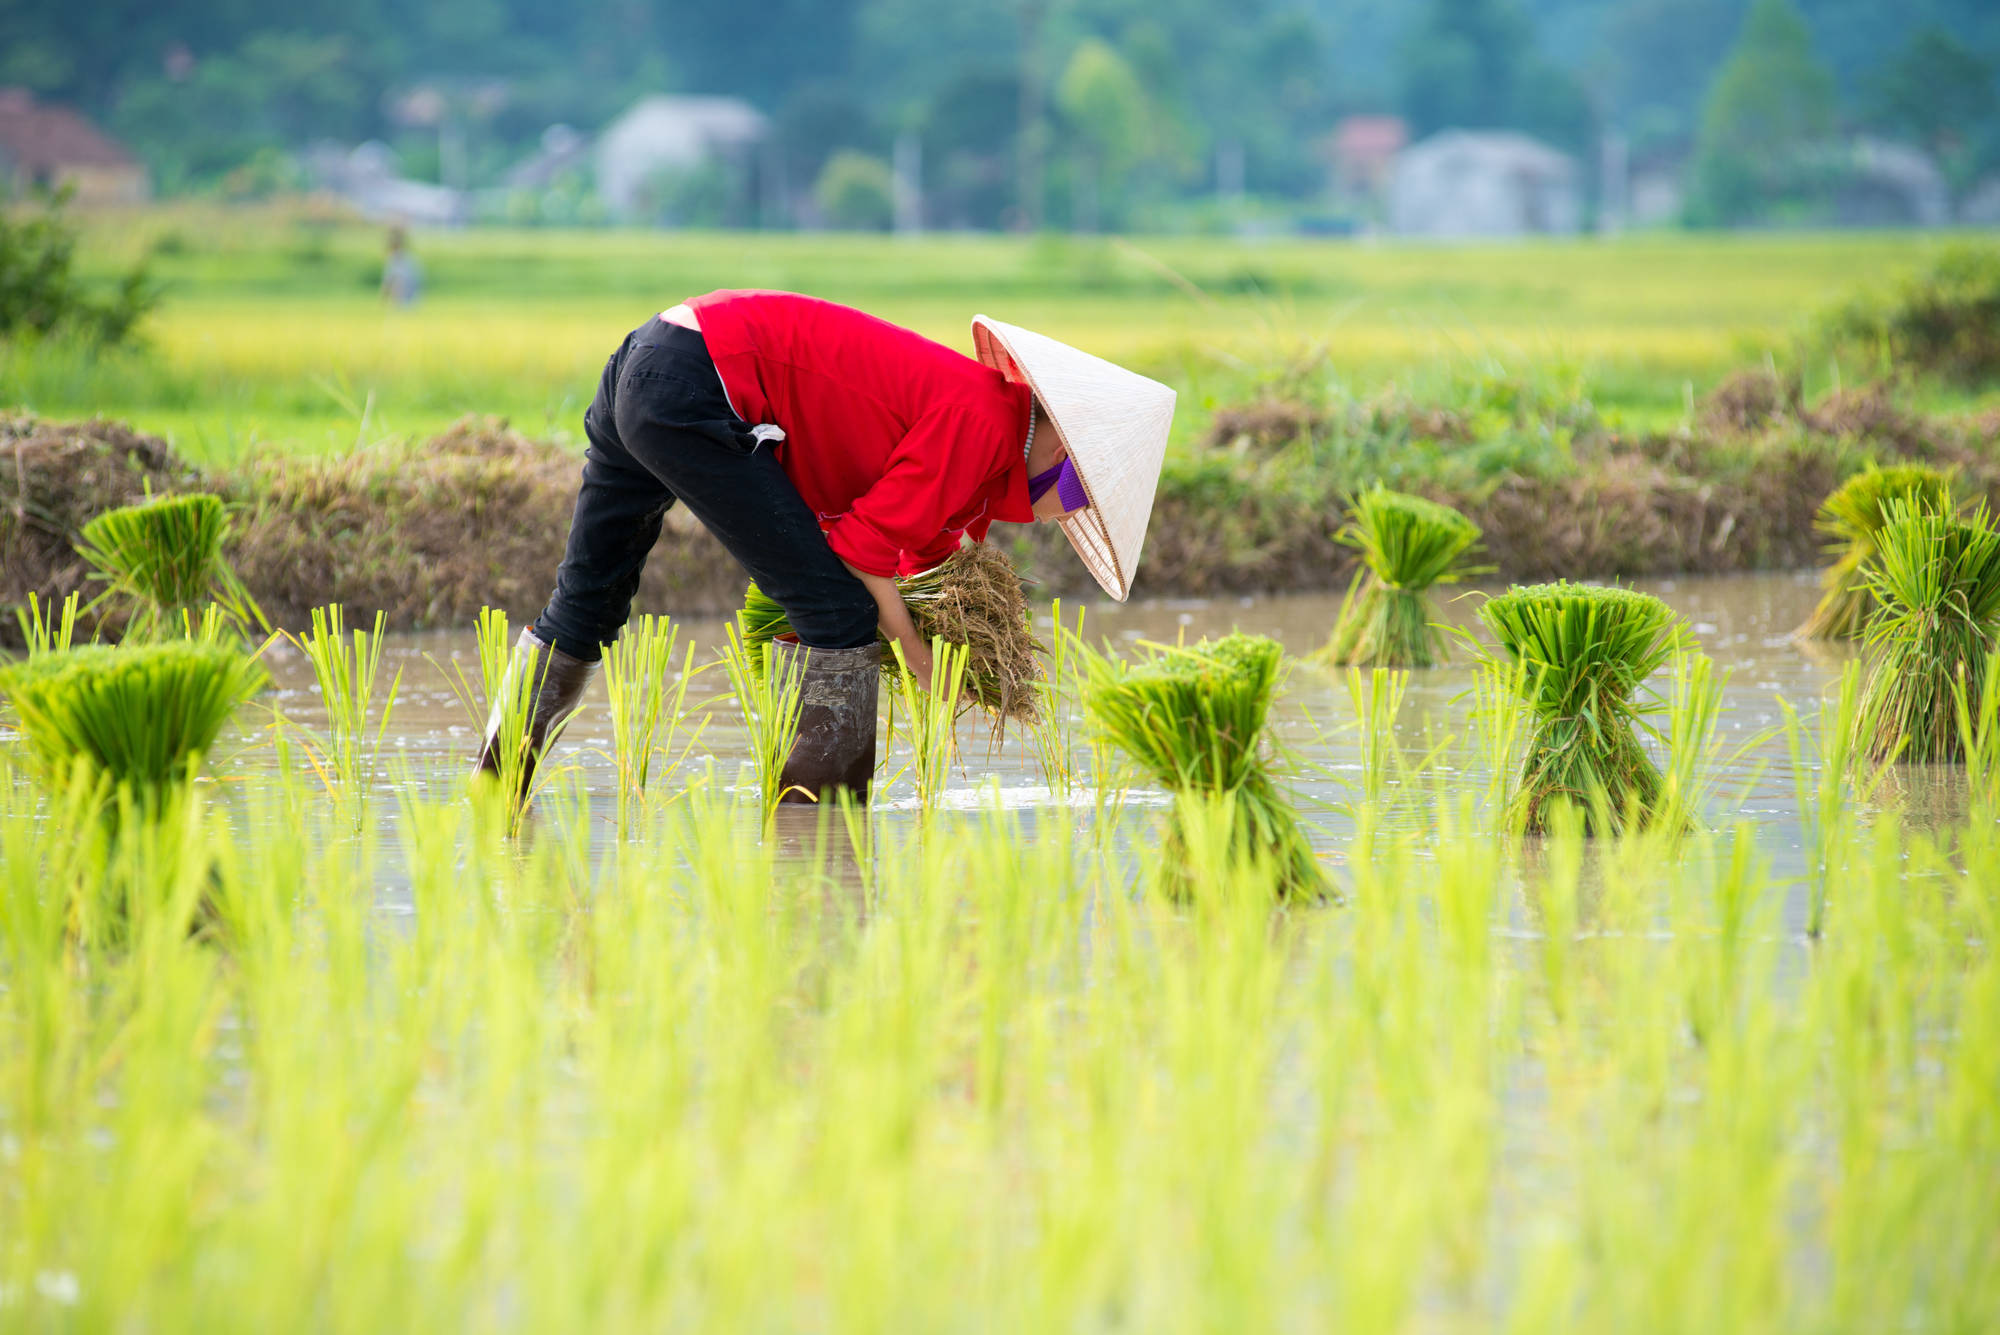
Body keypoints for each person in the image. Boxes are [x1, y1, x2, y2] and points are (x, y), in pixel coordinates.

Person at [475, 290, 1174, 801]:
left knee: (587, 606)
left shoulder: (984, 441)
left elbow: (905, 556)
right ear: (1062, 446)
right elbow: (859, 557)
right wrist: (918, 658)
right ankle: (816, 833)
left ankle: (490, 796)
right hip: (696, 383)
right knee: (839, 617)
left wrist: (965, 648)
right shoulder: (986, 424)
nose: (1061, 514)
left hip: (652, 356)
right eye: (1079, 496)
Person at [380, 226, 421, 306]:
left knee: (397, 279)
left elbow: (389, 279)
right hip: (413, 291)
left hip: (407, 292)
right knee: (397, 279)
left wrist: (383, 296)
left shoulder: (396, 258)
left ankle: (400, 304)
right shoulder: (408, 257)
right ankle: (401, 304)